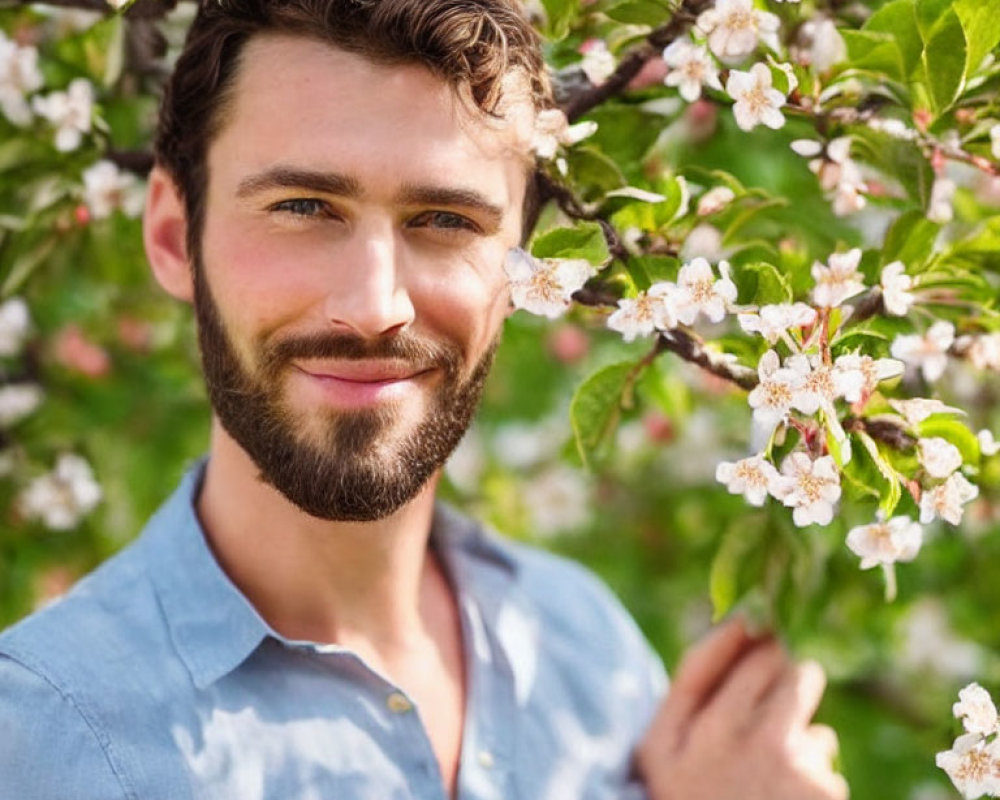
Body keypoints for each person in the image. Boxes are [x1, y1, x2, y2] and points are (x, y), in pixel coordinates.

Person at [0, 1, 848, 798]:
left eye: (445, 220)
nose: (375, 307)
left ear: (526, 265)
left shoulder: (582, 645)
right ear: (172, 237)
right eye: (303, 206)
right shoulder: (47, 734)